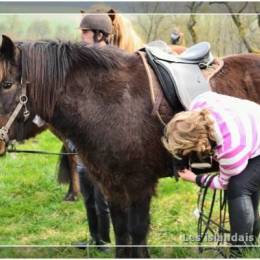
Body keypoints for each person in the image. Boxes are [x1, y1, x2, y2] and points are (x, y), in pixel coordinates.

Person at [162, 91, 260, 256]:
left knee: (238, 187)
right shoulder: (199, 103)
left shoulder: (231, 151)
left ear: (198, 142)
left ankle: (239, 252)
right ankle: (250, 239)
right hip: (253, 123)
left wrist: (195, 178)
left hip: (251, 137)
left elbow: (223, 183)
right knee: (248, 183)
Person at [70, 13, 113, 250]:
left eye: (85, 32)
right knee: (87, 195)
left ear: (99, 34)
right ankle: (95, 237)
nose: (81, 36)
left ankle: (104, 241)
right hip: (81, 139)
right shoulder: (85, 60)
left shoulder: (111, 62)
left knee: (101, 197)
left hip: (101, 143)